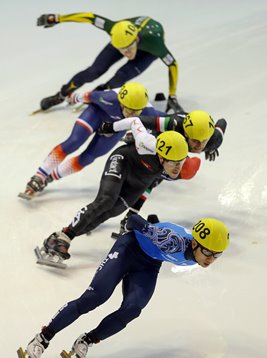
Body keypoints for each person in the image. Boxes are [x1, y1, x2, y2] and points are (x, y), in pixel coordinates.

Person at [17, 214, 229, 358]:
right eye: (208, 253)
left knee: (132, 309)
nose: (210, 259)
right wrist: (146, 227)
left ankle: (87, 340)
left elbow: (159, 226)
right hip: (128, 250)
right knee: (94, 297)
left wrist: (153, 223)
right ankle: (43, 338)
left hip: (149, 265)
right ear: (194, 243)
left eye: (216, 256)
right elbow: (133, 221)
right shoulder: (172, 241)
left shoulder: (198, 250)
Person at [33, 118, 189, 267]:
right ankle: (64, 236)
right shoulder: (146, 142)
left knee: (111, 211)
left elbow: (152, 184)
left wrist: (135, 209)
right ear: (161, 157)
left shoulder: (184, 167)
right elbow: (134, 121)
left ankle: (59, 238)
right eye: (174, 163)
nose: (177, 168)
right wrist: (110, 127)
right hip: (123, 161)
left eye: (181, 161)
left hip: (139, 180)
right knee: (106, 200)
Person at [19, 82, 164, 199]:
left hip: (115, 128)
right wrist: (71, 98)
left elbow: (164, 123)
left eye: (136, 111)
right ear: (120, 103)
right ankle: (39, 175)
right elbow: (85, 96)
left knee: (88, 158)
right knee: (74, 142)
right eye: (129, 110)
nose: (132, 114)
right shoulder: (108, 97)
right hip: (97, 114)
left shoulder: (148, 112)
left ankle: (50, 178)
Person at [101, 109, 227, 236]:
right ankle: (125, 214)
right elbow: (139, 121)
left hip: (176, 150)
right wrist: (112, 128)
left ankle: (129, 216)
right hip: (162, 139)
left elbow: (222, 122)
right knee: (154, 174)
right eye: (195, 141)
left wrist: (211, 147)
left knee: (174, 173)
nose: (199, 146)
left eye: (204, 141)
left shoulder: (214, 140)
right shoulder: (173, 124)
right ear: (186, 134)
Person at [36, 12, 181, 113]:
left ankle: (100, 92)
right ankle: (61, 95)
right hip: (123, 37)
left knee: (120, 77)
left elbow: (172, 65)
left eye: (128, 49)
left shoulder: (155, 44)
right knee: (94, 71)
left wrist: (172, 95)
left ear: (135, 40)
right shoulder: (113, 27)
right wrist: (57, 18)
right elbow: (90, 17)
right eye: (122, 51)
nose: (126, 54)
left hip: (147, 52)